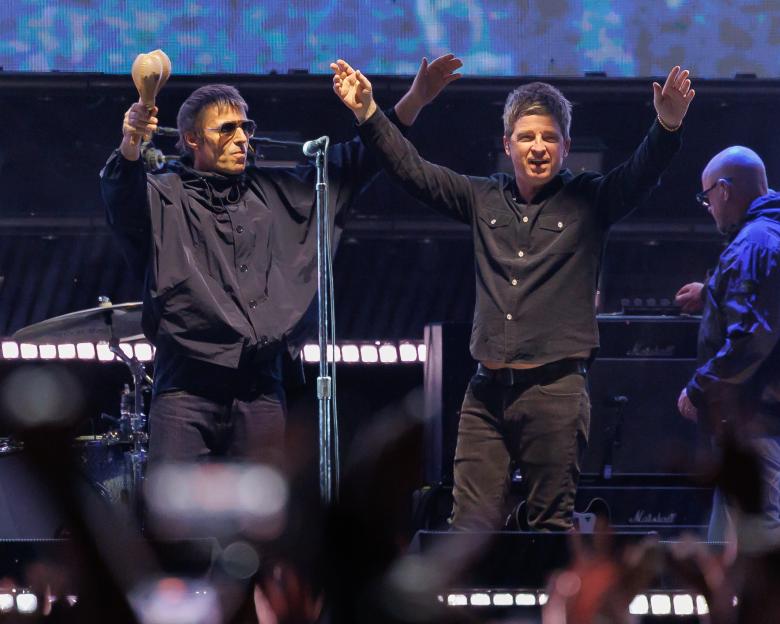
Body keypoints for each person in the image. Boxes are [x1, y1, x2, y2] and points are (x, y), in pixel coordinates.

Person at [331, 60, 695, 531]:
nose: (537, 147)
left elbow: (641, 173)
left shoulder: (590, 200)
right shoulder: (482, 198)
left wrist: (667, 124)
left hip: (556, 391)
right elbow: (411, 171)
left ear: (566, 146)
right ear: (507, 145)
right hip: (485, 393)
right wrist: (368, 113)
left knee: (549, 526)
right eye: (526, 137)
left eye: (548, 137)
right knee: (468, 528)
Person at [100, 55, 463, 466]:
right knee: (174, 519)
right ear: (191, 140)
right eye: (226, 129)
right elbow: (121, 194)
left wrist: (414, 99)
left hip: (262, 391)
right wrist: (131, 143)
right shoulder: (164, 196)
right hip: (185, 392)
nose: (241, 138)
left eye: (245, 127)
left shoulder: (276, 194)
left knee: (266, 521)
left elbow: (357, 162)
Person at [676, 146, 780, 548]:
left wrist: (698, 389)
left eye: (706, 197)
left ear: (723, 190)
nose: (708, 207)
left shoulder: (753, 244)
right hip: (757, 427)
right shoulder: (769, 235)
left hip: (761, 424)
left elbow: (753, 337)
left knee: (764, 545)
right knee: (726, 548)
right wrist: (716, 291)